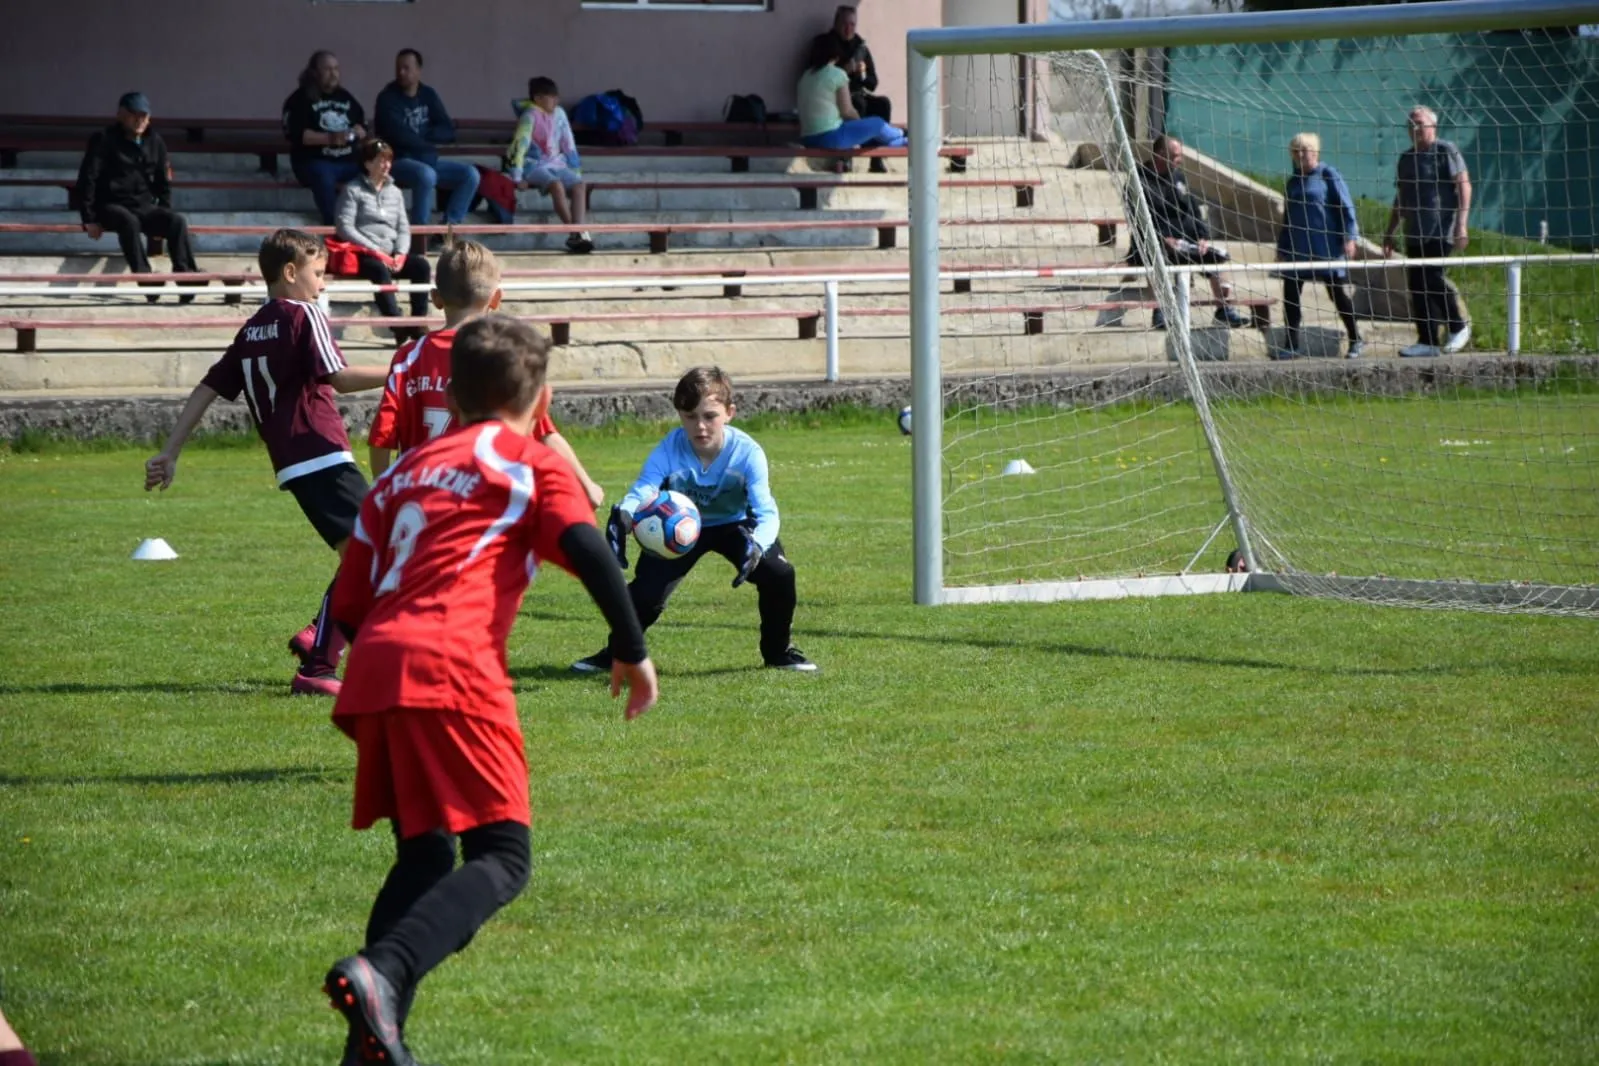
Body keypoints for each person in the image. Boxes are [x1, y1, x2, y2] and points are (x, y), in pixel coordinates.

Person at [321, 313, 657, 1066]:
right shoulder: (525, 462)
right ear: (539, 397)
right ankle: (383, 971)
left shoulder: (400, 474)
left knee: (423, 856)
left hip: (375, 666)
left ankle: (371, 1042)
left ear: (452, 393)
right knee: (503, 856)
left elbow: (347, 601)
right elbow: (586, 546)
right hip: (451, 661)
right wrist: (632, 649)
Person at [143, 229, 389, 697]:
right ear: (291, 272)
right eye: (319, 272)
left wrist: (170, 450)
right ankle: (319, 665)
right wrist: (406, 367)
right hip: (320, 451)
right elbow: (338, 378)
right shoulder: (304, 314)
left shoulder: (253, 326)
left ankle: (320, 638)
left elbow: (207, 387)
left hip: (294, 461)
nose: (323, 283)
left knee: (365, 552)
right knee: (372, 553)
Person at [571, 366, 818, 675]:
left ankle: (778, 652)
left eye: (710, 416)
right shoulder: (669, 448)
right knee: (645, 594)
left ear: (729, 413)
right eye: (690, 416)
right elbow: (645, 488)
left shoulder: (748, 453)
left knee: (779, 574)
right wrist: (625, 512)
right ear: (680, 415)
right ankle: (617, 653)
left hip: (736, 526)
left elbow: (766, 512)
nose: (700, 426)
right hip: (677, 527)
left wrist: (758, 545)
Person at [367, 238, 607, 508]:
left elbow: (382, 436)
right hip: (486, 501)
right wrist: (587, 486)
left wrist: (382, 491)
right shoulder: (502, 357)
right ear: (496, 299)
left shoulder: (409, 358)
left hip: (422, 502)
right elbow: (545, 433)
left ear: (435, 298)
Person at [75, 91, 203, 302]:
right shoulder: (103, 139)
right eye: (134, 115)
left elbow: (162, 182)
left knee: (176, 221)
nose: (139, 120)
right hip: (110, 204)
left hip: (143, 205)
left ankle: (186, 278)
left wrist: (163, 211)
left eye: (144, 116)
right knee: (129, 221)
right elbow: (88, 178)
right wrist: (88, 218)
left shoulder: (155, 141)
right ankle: (146, 279)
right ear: (121, 115)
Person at [1129, 135, 1251, 330]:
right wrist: (1162, 238)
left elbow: (1193, 210)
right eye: (1176, 156)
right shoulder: (1139, 181)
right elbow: (1138, 220)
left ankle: (1224, 310)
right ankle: (1160, 312)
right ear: (1160, 154)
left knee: (1216, 257)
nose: (1180, 160)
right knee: (1158, 255)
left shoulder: (1178, 177)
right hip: (1152, 243)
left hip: (1185, 242)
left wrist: (1202, 237)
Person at [1383, 105, 1472, 357]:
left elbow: (1464, 185)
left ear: (1433, 125)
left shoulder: (1445, 150)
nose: (1415, 129)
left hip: (1441, 228)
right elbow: (1401, 197)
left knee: (1432, 277)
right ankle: (1427, 341)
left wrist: (1461, 223)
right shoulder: (1406, 159)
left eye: (1419, 124)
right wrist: (1390, 232)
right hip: (1415, 232)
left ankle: (1458, 326)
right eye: (1410, 125)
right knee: (1417, 284)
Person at [1273, 132, 1364, 360]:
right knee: (1291, 294)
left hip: (1326, 247)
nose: (1300, 155)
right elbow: (1288, 218)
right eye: (1295, 151)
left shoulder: (1327, 175)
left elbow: (1346, 207)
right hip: (1298, 247)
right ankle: (1291, 345)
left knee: (1337, 293)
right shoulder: (1293, 182)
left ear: (1315, 151)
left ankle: (1356, 338)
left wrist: (1350, 238)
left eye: (1304, 150)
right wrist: (1282, 247)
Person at [334, 138, 431, 342]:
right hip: (364, 253)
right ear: (368, 163)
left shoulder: (395, 192)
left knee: (421, 266)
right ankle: (396, 324)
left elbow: (403, 227)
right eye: (381, 160)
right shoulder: (352, 190)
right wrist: (375, 250)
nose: (386, 165)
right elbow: (345, 227)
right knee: (378, 269)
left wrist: (401, 253)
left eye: (389, 160)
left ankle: (418, 322)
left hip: (391, 253)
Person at [374, 48, 480, 230]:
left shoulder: (428, 95)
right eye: (398, 68)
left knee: (470, 174)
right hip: (396, 161)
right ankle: (419, 233)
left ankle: (449, 228)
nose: (401, 72)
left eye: (406, 68)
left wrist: (427, 136)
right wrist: (426, 142)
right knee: (426, 175)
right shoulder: (387, 98)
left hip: (427, 160)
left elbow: (447, 129)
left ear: (418, 70)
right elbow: (399, 135)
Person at [504, 77, 592, 254]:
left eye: (556, 96)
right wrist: (517, 176)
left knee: (579, 186)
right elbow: (520, 145)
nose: (555, 100)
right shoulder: (529, 116)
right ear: (538, 98)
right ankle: (575, 232)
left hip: (557, 163)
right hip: (534, 165)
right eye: (551, 97)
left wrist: (575, 170)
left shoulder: (560, 114)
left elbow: (568, 142)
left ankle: (579, 230)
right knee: (556, 186)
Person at [283, 50, 368, 225]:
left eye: (336, 68)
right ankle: (334, 225)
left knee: (374, 171)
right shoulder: (300, 99)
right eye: (327, 69)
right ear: (314, 72)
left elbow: (362, 125)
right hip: (315, 161)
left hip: (348, 161)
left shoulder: (346, 97)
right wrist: (331, 138)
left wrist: (360, 131)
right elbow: (298, 135)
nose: (333, 73)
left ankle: (371, 224)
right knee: (324, 175)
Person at [796, 33, 906, 162]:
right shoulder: (837, 74)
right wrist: (861, 125)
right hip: (831, 138)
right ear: (836, 54)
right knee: (878, 123)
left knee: (879, 137)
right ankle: (902, 135)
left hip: (808, 139)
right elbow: (847, 111)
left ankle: (900, 140)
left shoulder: (805, 77)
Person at [827, 5, 891, 125]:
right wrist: (843, 70)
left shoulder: (860, 48)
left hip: (858, 94)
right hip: (835, 98)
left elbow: (873, 84)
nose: (848, 29)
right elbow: (819, 77)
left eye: (852, 25)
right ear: (836, 24)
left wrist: (862, 74)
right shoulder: (825, 44)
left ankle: (880, 136)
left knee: (883, 104)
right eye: (844, 24)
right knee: (858, 104)